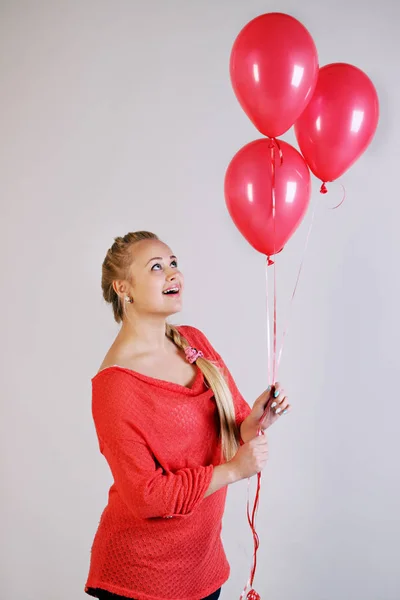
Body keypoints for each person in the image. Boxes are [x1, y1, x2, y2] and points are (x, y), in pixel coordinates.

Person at [85, 231, 291, 600]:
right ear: (123, 288)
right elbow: (146, 496)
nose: (173, 274)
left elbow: (234, 424)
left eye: (174, 263)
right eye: (156, 267)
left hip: (203, 567)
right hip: (141, 580)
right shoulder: (115, 386)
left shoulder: (192, 339)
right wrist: (232, 472)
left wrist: (255, 421)